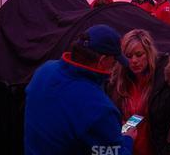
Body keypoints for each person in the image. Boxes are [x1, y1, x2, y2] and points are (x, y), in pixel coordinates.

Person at [24, 25, 136, 155]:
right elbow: (115, 153)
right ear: (103, 60)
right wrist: (127, 139)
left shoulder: (44, 71)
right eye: (114, 61)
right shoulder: (101, 109)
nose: (114, 66)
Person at [108, 30, 170, 155]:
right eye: (129, 56)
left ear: (149, 53)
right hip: (125, 149)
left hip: (156, 149)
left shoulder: (166, 76)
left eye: (139, 54)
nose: (134, 60)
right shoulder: (115, 80)